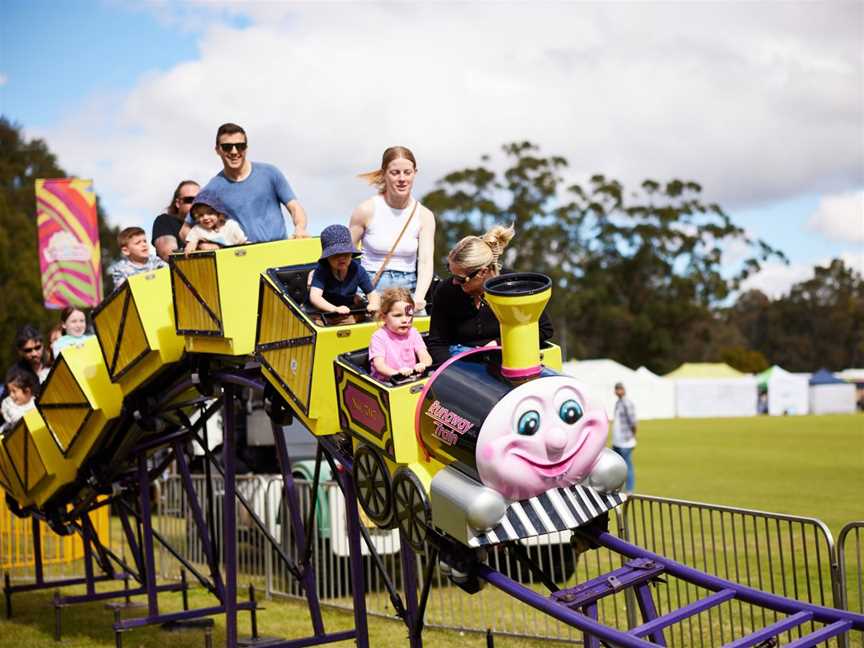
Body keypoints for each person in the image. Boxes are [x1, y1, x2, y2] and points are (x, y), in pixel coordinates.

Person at [426, 224, 553, 365]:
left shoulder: (512, 285)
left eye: (461, 278)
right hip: (463, 364)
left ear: (482, 272)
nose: (454, 282)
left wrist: (499, 343)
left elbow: (544, 329)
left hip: (509, 359)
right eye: (451, 272)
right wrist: (457, 371)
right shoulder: (446, 291)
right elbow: (437, 344)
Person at [349, 146, 436, 311]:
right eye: (395, 173)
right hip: (369, 289)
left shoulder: (424, 216)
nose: (402, 179)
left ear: (414, 173)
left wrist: (419, 297)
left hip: (407, 289)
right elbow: (347, 256)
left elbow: (425, 261)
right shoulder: (366, 210)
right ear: (384, 174)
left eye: (407, 172)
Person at [200, 123, 308, 243]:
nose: (234, 151)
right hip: (241, 257)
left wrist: (300, 227)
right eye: (227, 147)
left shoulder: (270, 172)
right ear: (217, 150)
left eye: (240, 146)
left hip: (279, 253)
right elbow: (185, 230)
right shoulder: (212, 188)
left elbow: (294, 207)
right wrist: (204, 243)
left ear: (246, 147)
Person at [308, 224, 380, 323]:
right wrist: (334, 309)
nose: (342, 258)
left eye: (346, 253)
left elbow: (372, 293)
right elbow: (315, 297)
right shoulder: (321, 270)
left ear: (351, 254)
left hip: (347, 313)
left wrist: (373, 304)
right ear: (327, 257)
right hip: (322, 314)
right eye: (336, 254)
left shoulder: (357, 269)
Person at [368, 287, 432, 381]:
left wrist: (423, 364)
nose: (405, 320)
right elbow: (379, 365)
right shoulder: (379, 337)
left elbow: (425, 355)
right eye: (398, 315)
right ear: (383, 317)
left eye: (409, 315)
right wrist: (397, 374)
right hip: (387, 381)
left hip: (411, 378)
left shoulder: (413, 332)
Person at [152, 180, 199, 261]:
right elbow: (170, 256)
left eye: (199, 199)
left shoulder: (210, 224)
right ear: (178, 203)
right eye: (189, 200)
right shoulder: (164, 221)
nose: (195, 203)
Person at [611, 382, 637, 494]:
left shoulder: (627, 403)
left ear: (624, 390)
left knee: (627, 466)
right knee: (617, 466)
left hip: (625, 441)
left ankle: (629, 489)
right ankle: (618, 488)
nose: (618, 391)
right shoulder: (618, 403)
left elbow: (633, 422)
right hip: (617, 441)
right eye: (616, 389)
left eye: (620, 389)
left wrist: (632, 436)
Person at [1, 368, 38, 434]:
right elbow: (15, 419)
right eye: (9, 391)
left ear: (27, 391)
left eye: (14, 391)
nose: (11, 395)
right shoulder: (8, 402)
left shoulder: (35, 403)